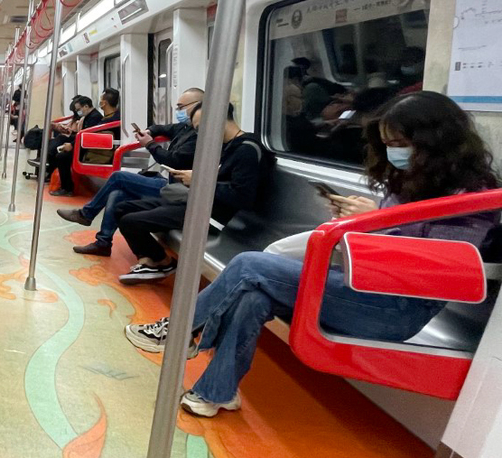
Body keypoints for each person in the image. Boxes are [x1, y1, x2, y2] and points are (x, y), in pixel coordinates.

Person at [125, 91, 499, 416]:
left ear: (433, 142)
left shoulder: (473, 198)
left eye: (401, 144)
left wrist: (375, 221)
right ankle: (216, 392)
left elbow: (435, 266)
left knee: (248, 265)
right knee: (254, 295)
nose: (393, 153)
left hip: (396, 307)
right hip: (361, 285)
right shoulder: (412, 180)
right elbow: (395, 231)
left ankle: (178, 330)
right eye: (389, 143)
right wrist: (367, 218)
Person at [112, 102, 268, 284]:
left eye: (201, 128)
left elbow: (242, 197)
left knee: (131, 221)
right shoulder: (229, 146)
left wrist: (199, 182)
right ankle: (153, 260)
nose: (200, 135)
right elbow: (221, 178)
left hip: (214, 216)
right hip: (199, 203)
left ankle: (161, 262)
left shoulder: (246, 150)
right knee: (122, 208)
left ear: (217, 121)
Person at [58, 88, 204, 251]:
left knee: (119, 178)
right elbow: (160, 128)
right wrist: (149, 132)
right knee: (117, 193)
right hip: (170, 183)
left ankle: (86, 214)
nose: (179, 112)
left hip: (179, 189)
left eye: (181, 107)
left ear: (198, 106)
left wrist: (149, 144)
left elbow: (173, 160)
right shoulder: (185, 128)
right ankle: (103, 242)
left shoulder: (199, 135)